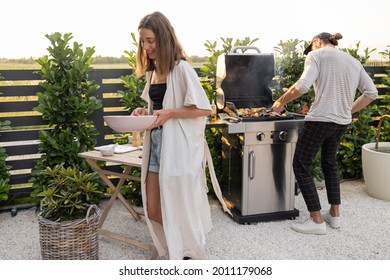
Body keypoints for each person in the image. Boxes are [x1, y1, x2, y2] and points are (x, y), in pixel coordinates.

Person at [131, 11, 230, 259]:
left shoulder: (182, 68)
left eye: (151, 40)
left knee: (181, 206)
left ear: (164, 38)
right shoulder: (154, 72)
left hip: (179, 150)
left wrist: (172, 113)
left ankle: (187, 251)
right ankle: (174, 243)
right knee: (153, 208)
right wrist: (146, 112)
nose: (146, 46)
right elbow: (158, 109)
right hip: (156, 146)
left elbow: (204, 108)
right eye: (143, 41)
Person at [272, 32, 378, 235]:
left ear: (317, 42)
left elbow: (302, 86)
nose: (310, 52)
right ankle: (334, 216)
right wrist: (348, 110)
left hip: (320, 119)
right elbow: (371, 92)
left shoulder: (317, 55)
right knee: (329, 163)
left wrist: (281, 101)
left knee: (301, 165)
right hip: (341, 122)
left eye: (311, 48)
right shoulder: (353, 61)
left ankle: (316, 220)